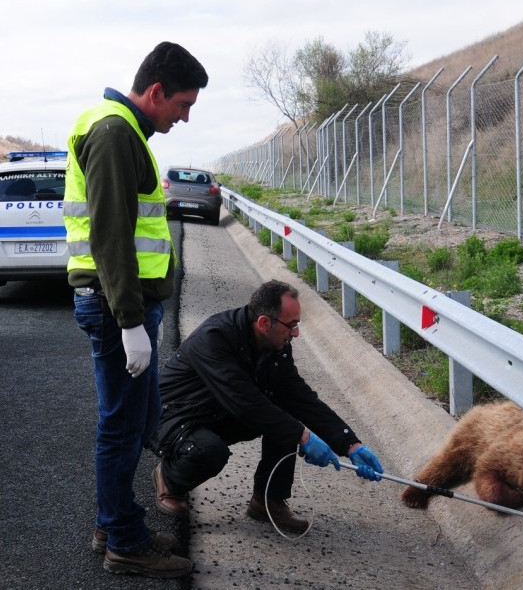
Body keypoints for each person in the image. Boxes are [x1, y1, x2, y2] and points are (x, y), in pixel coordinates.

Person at [64, 42, 208, 578]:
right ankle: (122, 538)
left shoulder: (122, 129)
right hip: (114, 307)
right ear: (155, 91)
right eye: (182, 105)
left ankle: (114, 518)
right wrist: (129, 323)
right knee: (122, 426)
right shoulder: (114, 133)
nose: (184, 117)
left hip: (124, 305)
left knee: (138, 418)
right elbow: (110, 237)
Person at [148, 280, 384, 534]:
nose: (296, 333)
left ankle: (267, 500)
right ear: (264, 323)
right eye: (291, 325)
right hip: (172, 415)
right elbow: (245, 401)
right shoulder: (214, 338)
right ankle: (169, 479)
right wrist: (303, 437)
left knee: (284, 414)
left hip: (216, 411)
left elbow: (299, 396)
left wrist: (349, 443)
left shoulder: (275, 345)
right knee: (209, 451)